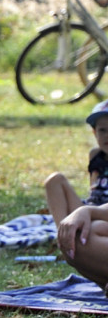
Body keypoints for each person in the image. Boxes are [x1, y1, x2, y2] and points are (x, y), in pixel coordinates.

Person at [46, 98, 108, 286]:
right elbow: (94, 189)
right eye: (102, 130)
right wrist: (85, 210)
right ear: (94, 132)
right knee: (54, 180)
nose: (107, 136)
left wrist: (88, 213)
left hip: (101, 214)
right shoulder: (96, 156)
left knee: (91, 232)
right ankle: (64, 237)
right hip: (96, 206)